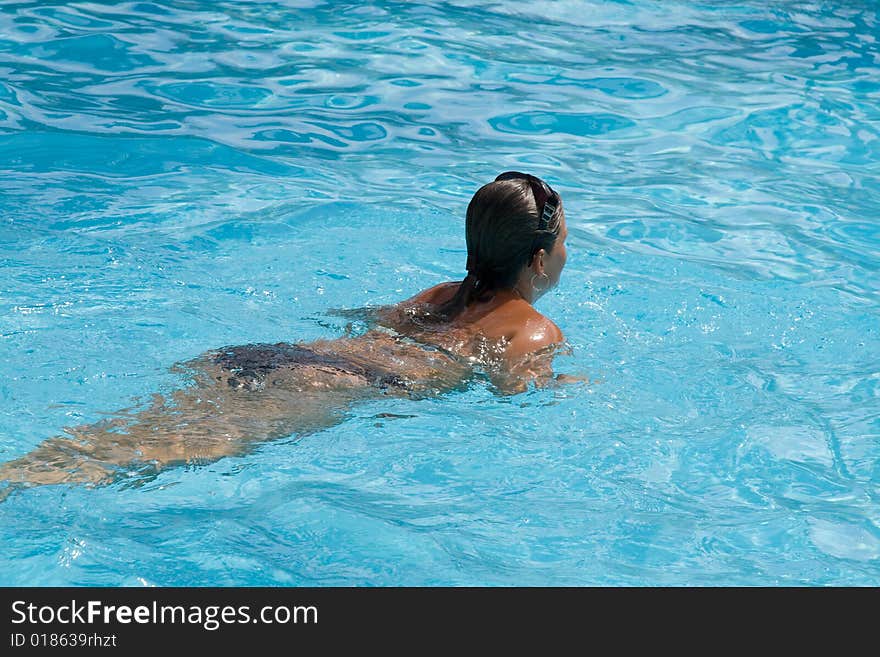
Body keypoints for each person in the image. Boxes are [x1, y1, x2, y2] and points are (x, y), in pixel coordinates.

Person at [0, 171, 580, 492]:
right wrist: (570, 385)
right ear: (535, 260)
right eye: (563, 246)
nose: (564, 257)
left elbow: (362, 322)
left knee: (112, 437)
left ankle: (17, 471)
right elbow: (517, 398)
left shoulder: (437, 296)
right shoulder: (533, 329)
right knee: (142, 456)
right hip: (328, 381)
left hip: (281, 355)